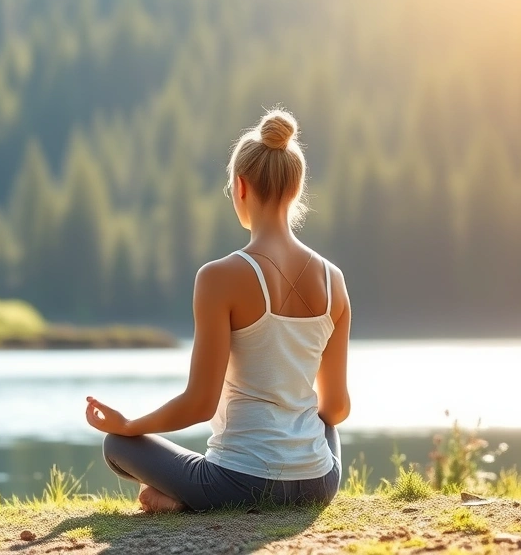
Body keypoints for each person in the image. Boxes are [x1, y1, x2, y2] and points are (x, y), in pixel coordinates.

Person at [84, 107, 351, 513]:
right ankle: (187, 498)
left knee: (116, 445)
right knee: (323, 425)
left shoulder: (218, 277)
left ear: (240, 187)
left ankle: (183, 500)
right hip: (318, 483)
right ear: (296, 189)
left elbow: (199, 404)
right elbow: (336, 409)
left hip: (238, 484)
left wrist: (129, 425)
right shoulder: (335, 281)